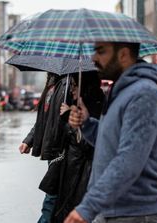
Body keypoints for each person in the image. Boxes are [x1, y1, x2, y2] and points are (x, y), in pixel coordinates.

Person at [64, 42, 157, 223]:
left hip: (137, 214)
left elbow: (129, 160)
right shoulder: (120, 92)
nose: (94, 58)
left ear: (123, 55)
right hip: (113, 211)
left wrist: (88, 207)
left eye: (101, 51)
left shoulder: (143, 94)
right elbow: (111, 142)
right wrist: (87, 124)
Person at [51, 72, 105, 223]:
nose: (72, 90)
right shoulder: (81, 103)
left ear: (84, 85)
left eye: (75, 86)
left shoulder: (94, 104)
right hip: (73, 169)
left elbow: (86, 144)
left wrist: (72, 121)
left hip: (82, 173)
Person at [18, 72, 65, 223]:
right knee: (55, 195)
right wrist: (29, 140)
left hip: (62, 150)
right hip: (54, 150)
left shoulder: (67, 85)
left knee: (52, 196)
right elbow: (43, 119)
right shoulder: (53, 85)